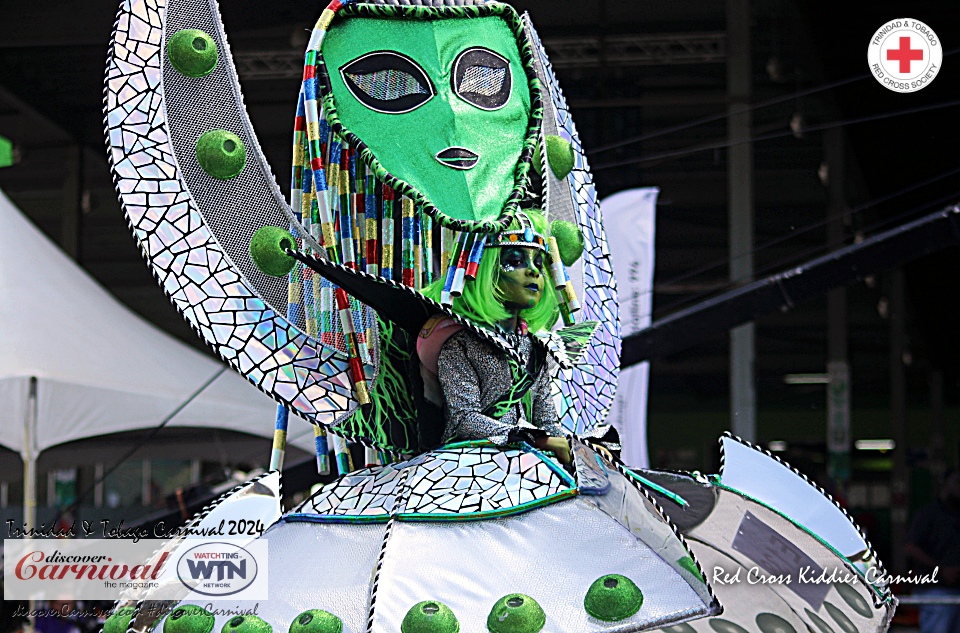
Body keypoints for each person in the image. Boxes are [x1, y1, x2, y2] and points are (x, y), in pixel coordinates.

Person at [419, 209, 572, 464]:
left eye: (538, 263)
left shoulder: (535, 348)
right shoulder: (460, 344)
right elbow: (464, 419)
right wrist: (533, 439)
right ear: (485, 271)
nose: (533, 271)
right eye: (515, 261)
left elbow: (547, 421)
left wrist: (576, 447)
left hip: (530, 465)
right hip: (469, 465)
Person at [905, 468, 960, 633]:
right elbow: (910, 547)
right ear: (945, 484)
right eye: (957, 482)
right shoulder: (929, 513)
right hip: (935, 589)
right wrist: (941, 569)